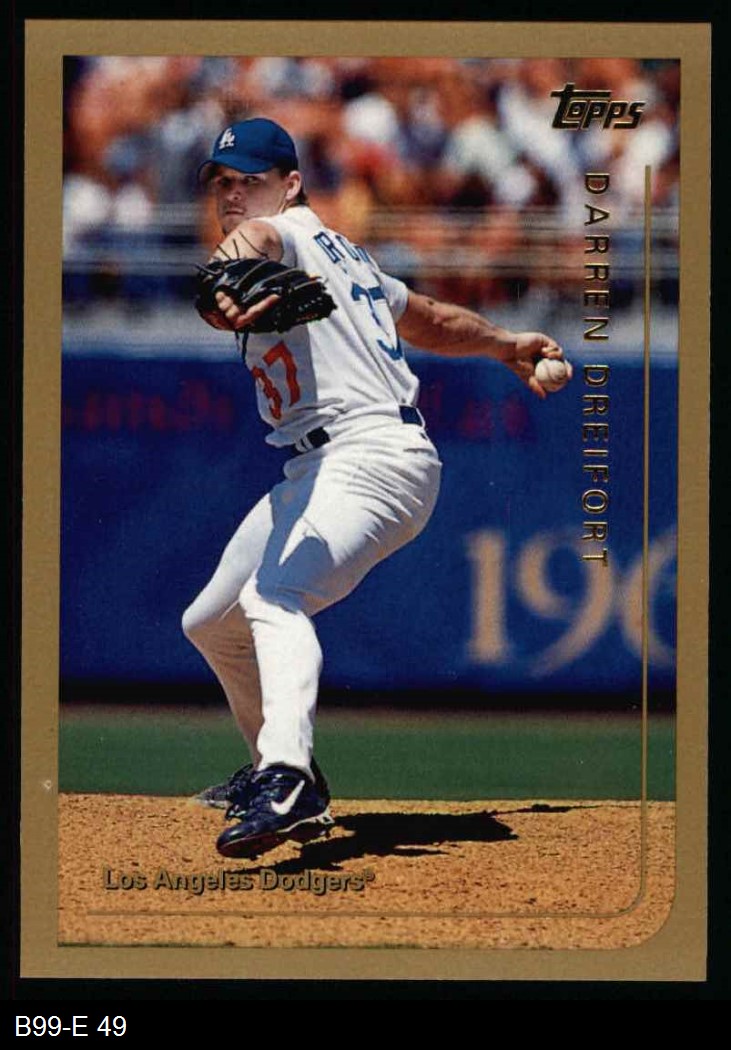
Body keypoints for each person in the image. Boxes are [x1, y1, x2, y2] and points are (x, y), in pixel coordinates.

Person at [182, 117, 566, 859]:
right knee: (211, 622)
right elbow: (430, 319)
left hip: (370, 458)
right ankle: (276, 769)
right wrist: (505, 344)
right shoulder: (348, 257)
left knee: (273, 598)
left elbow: (251, 245)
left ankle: (288, 779)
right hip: (321, 467)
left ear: (291, 184)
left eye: (250, 181)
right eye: (222, 183)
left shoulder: (283, 234)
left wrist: (219, 276)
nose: (233, 196)